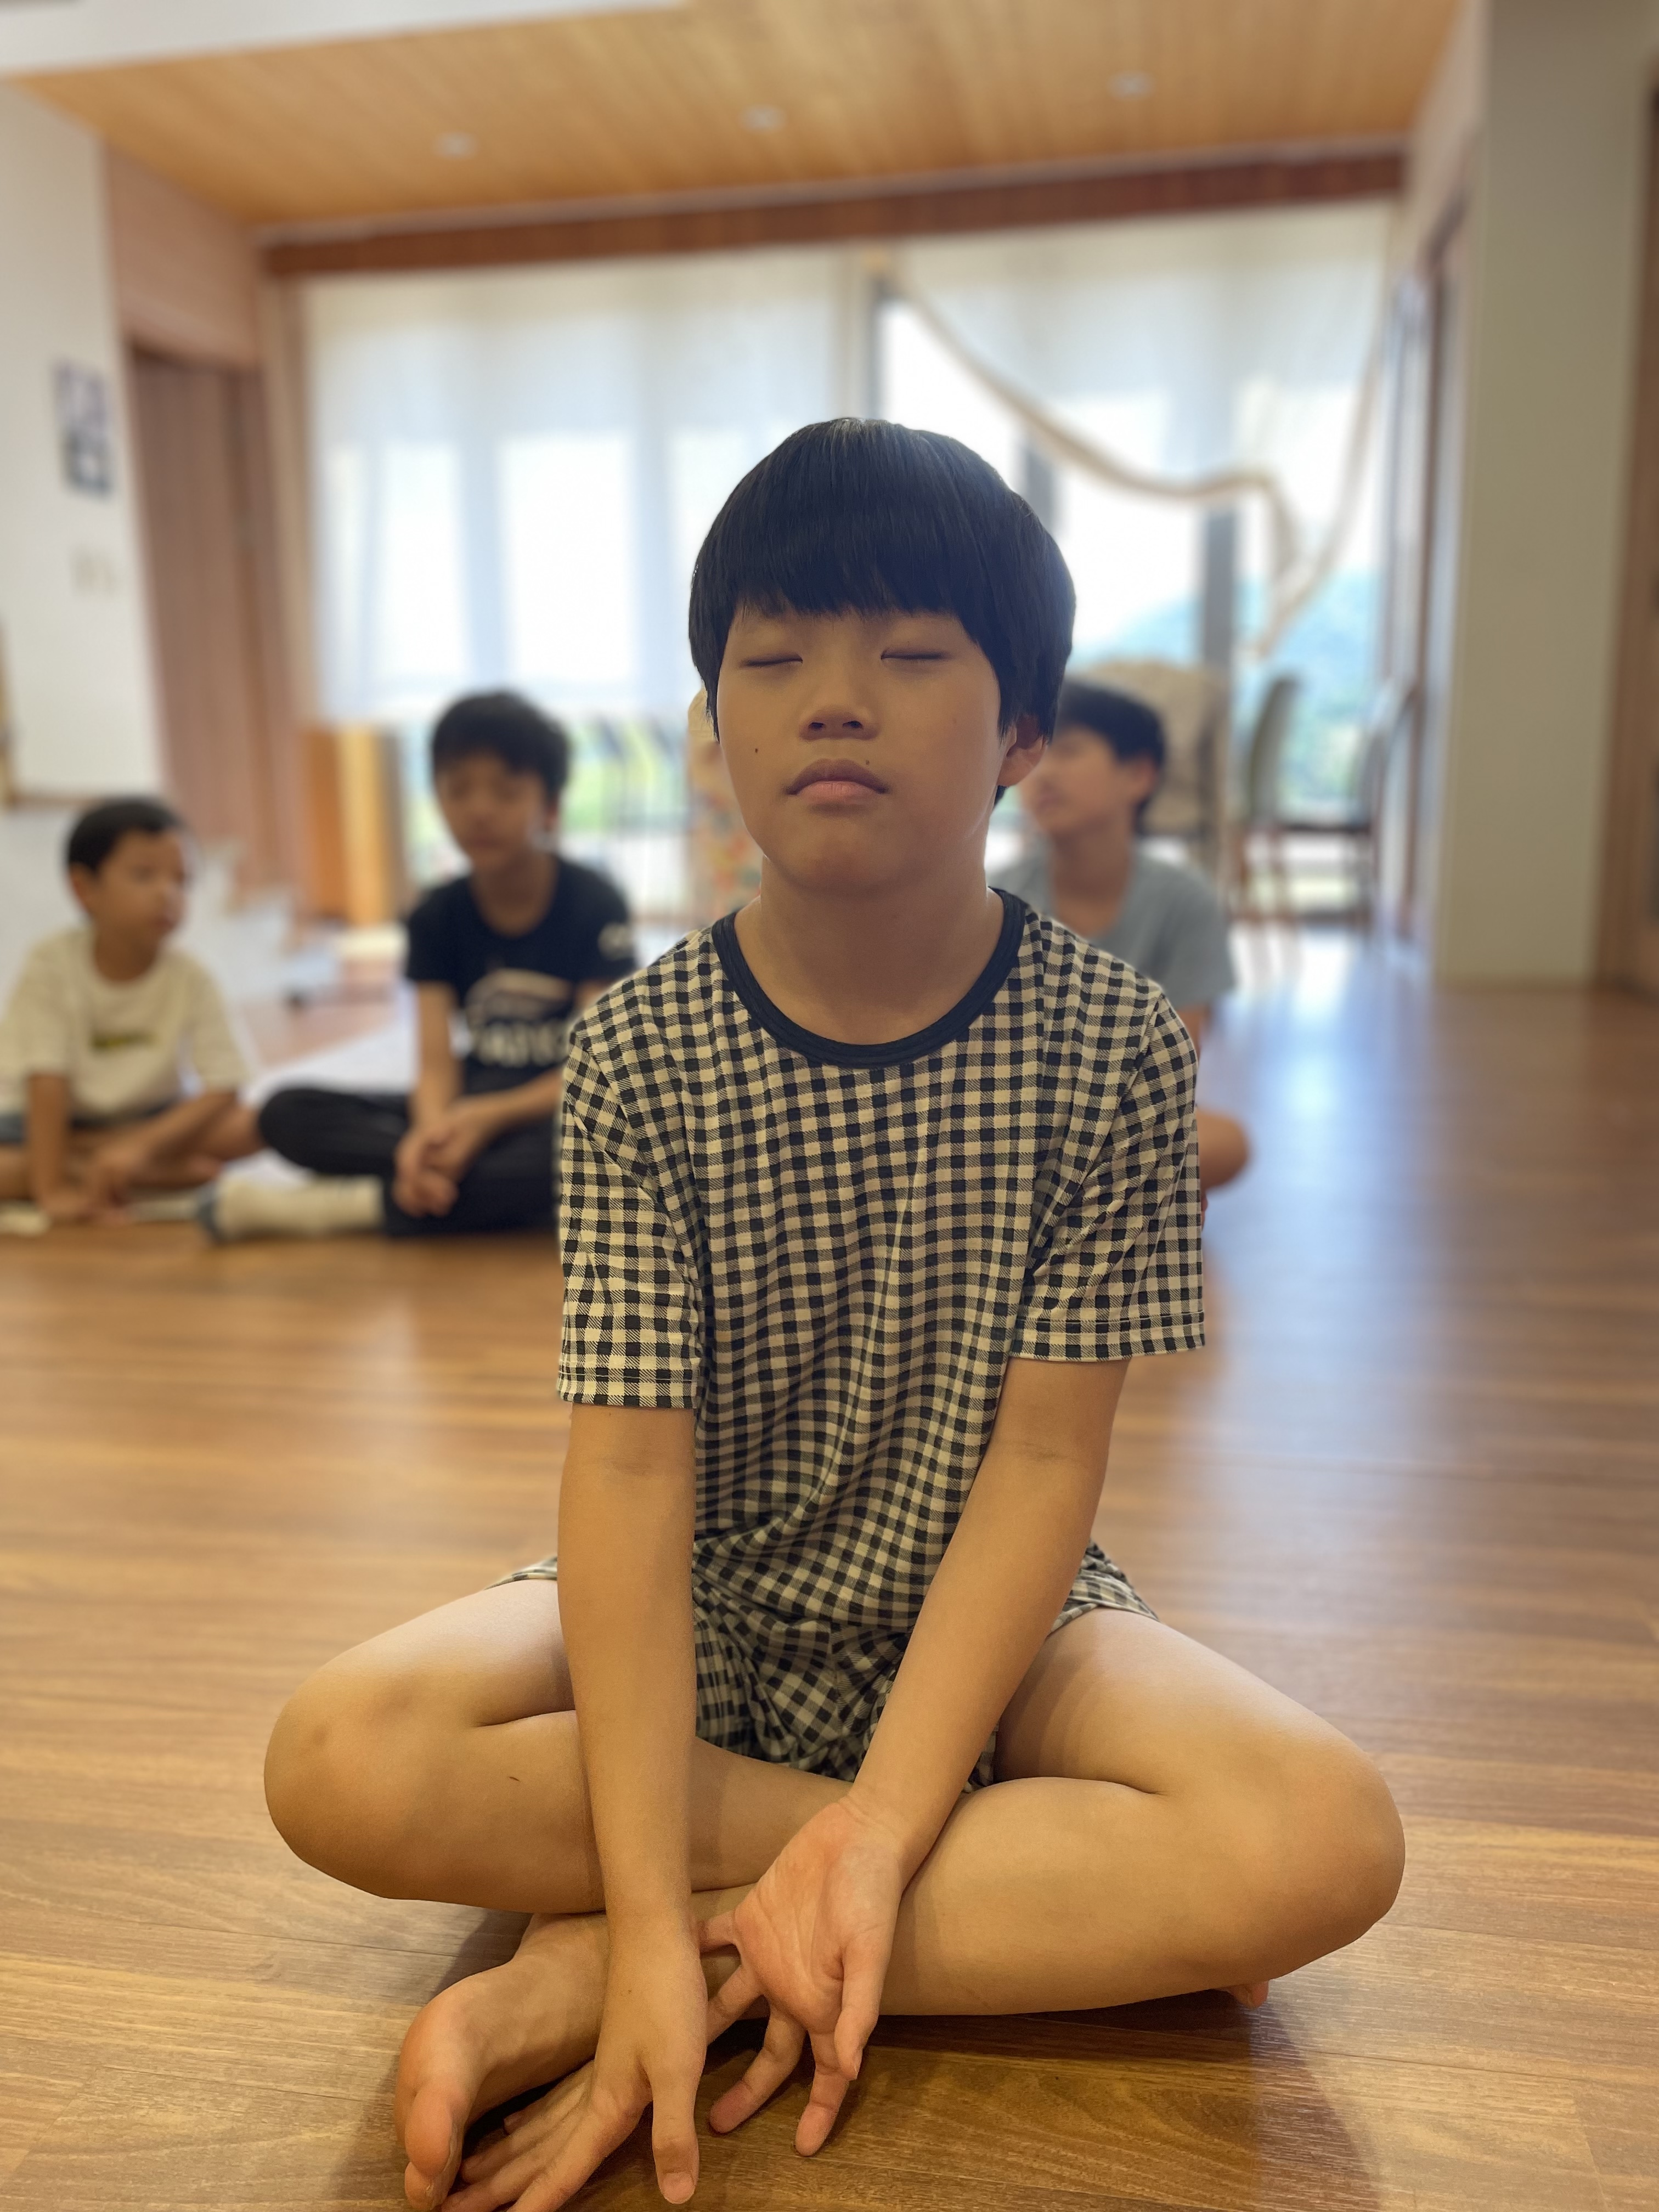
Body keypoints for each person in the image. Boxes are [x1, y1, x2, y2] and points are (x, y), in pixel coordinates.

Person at [261, 420, 1403, 2212]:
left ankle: (612, 1964)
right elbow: (630, 1482)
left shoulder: (1112, 1046)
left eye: (913, 654)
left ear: (1022, 732)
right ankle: (950, 1898)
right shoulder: (635, 1052)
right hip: (696, 1601)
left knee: (1323, 1836)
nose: (835, 702)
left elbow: (1046, 1470)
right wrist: (707, 1886)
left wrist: (847, 1836)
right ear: (712, 725)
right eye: (775, 658)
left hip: (999, 1622)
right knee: (336, 1756)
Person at [204, 693, 636, 1243]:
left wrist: (486, 1118)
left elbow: (598, 1070)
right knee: (287, 1112)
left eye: (505, 792)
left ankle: (353, 1206)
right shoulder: (435, 914)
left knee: (608, 1147)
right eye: (458, 790)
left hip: (556, 1108)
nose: (479, 810)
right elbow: (434, 1063)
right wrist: (432, 1135)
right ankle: (439, 1183)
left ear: (550, 805)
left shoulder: (594, 902)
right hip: (469, 1101)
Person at [996, 678, 1250, 1193]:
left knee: (1226, 1144)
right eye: (1034, 753)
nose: (1044, 772)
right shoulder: (999, 897)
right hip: (1019, 1117)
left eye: (1068, 751)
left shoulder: (1185, 901)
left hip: (1132, 1119)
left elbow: (1177, 1066)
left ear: (1138, 775)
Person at [0, 797, 256, 1225]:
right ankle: (145, 1175)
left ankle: (114, 1165)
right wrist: (52, 1191)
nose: (167, 894)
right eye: (144, 875)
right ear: (84, 889)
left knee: (252, 1126)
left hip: (150, 1120)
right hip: (51, 1127)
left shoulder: (192, 975)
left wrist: (139, 1146)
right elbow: (46, 1083)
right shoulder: (50, 965)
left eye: (182, 880)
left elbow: (226, 1085)